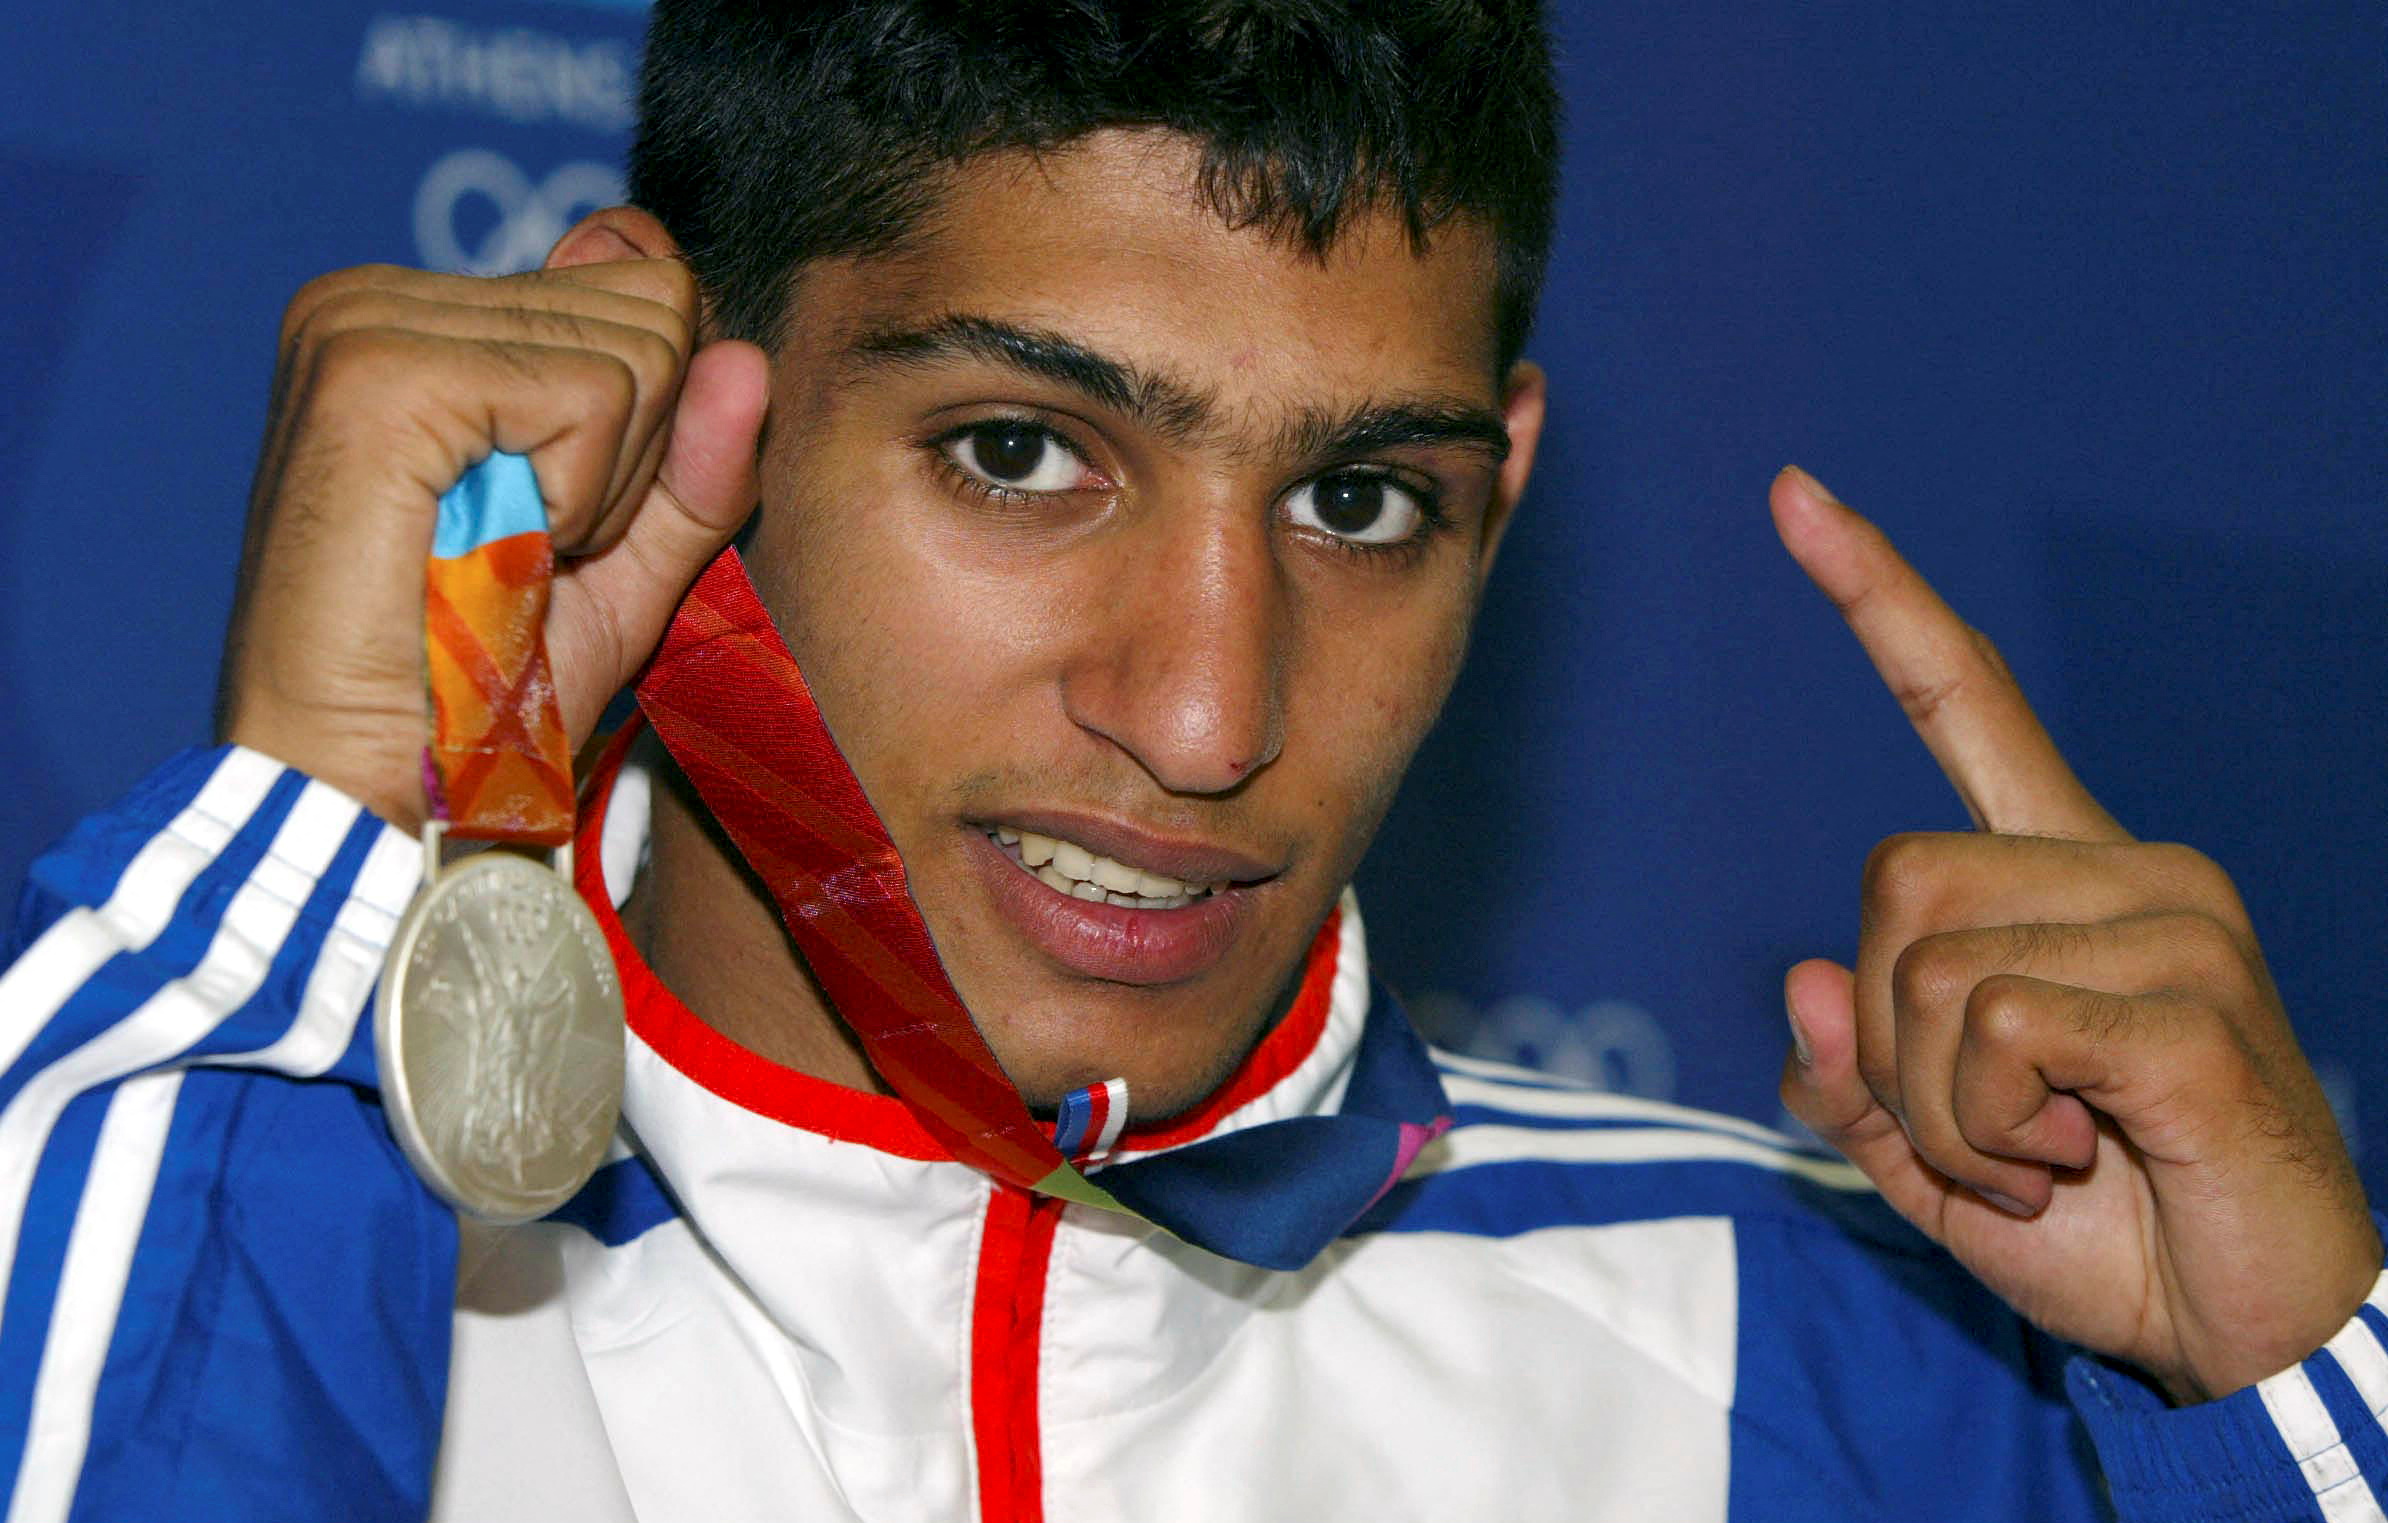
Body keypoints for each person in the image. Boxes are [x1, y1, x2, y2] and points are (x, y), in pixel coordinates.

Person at [2, 2, 2383, 1519]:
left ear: (1504, 496)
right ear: (652, 382)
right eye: (1026, 452)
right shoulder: (195, 1213)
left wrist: (2306, 1403)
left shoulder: (1884, 1365)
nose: (1211, 712)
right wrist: (309, 859)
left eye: (1362, 502)